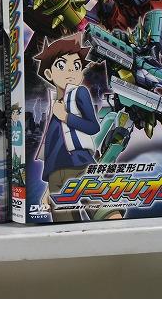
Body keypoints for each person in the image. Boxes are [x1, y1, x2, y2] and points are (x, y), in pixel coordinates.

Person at [34, 33, 121, 221]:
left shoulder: (79, 93)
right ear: (49, 74)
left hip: (81, 166)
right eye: (61, 66)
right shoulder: (55, 105)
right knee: (64, 227)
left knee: (106, 214)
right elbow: (55, 149)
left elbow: (93, 127)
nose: (70, 71)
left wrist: (66, 117)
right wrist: (48, 188)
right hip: (57, 177)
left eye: (76, 66)